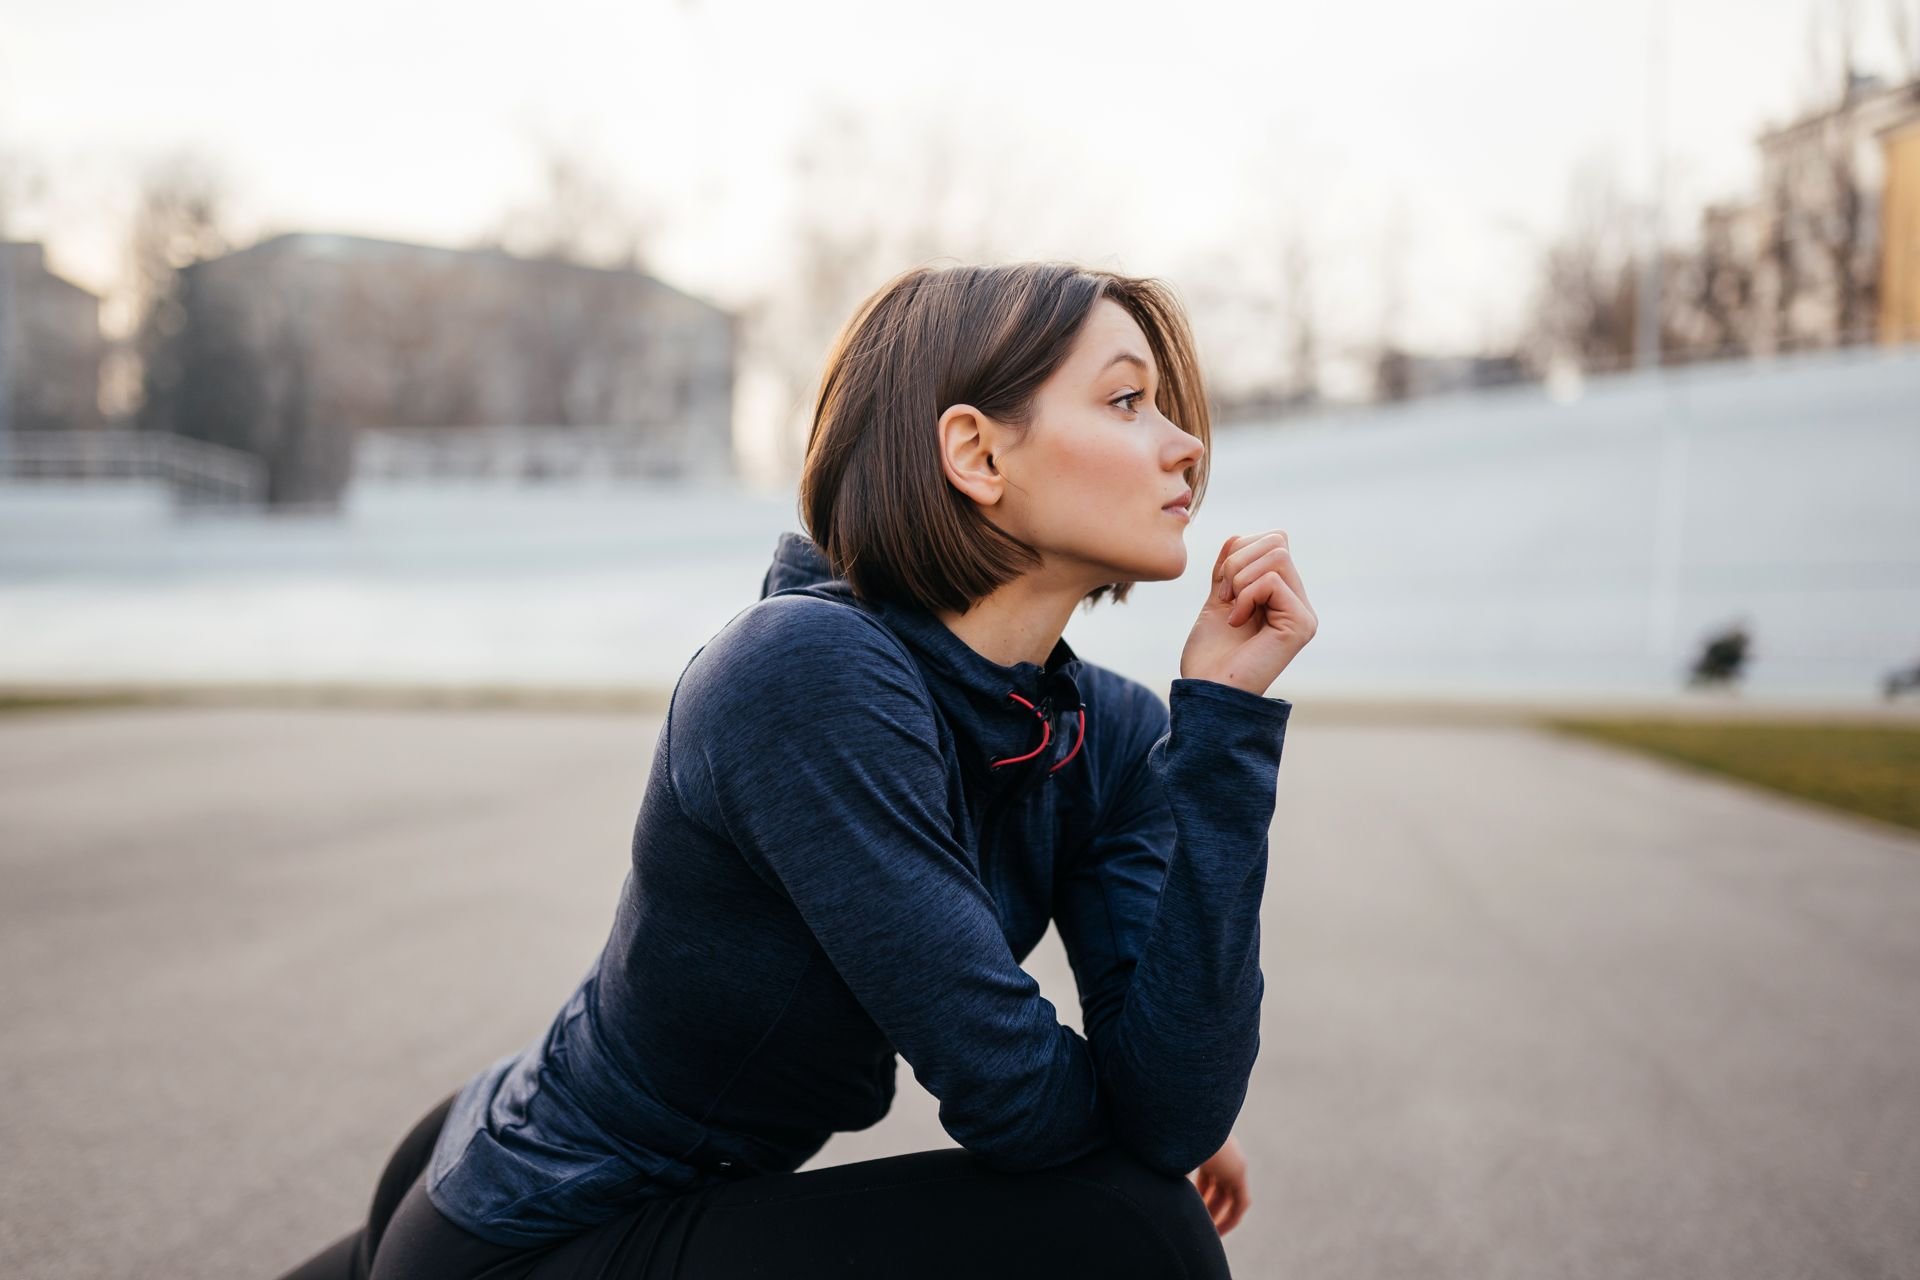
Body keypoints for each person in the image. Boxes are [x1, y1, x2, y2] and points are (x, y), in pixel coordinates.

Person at [276, 260, 1318, 1279]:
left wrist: (1222, 725)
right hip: (543, 1215)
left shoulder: (1112, 738)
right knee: (1133, 1230)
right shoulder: (802, 672)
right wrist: (1135, 1120)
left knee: (1137, 1200)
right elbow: (1023, 1101)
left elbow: (1178, 1108)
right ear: (976, 453)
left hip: (620, 1187)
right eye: (1129, 400)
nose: (1186, 445)